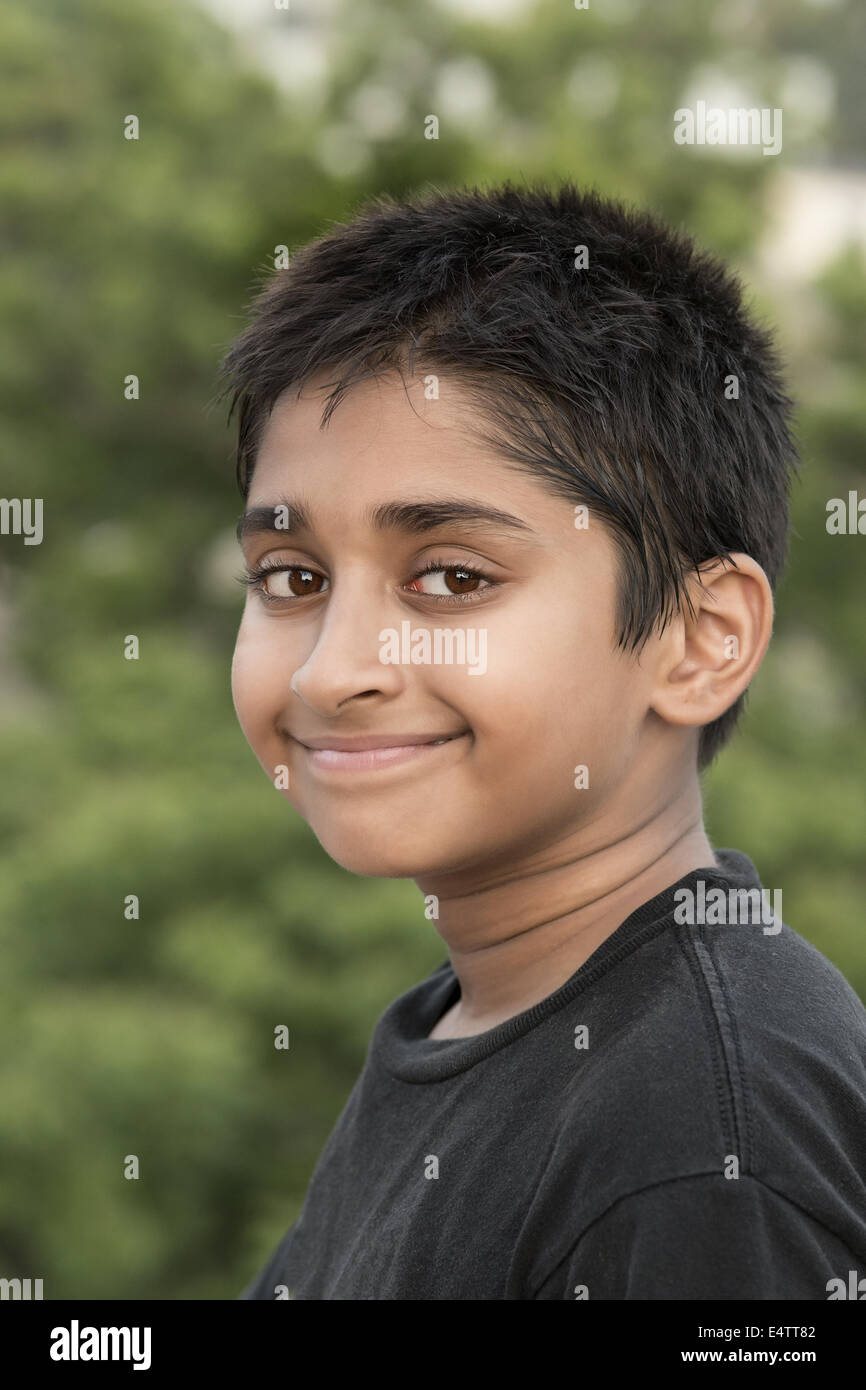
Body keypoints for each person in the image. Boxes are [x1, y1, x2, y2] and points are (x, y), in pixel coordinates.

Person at [218, 180, 866, 1299]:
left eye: (452, 578)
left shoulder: (700, 1141)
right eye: (293, 578)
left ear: (698, 639)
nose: (331, 669)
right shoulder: (473, 1017)